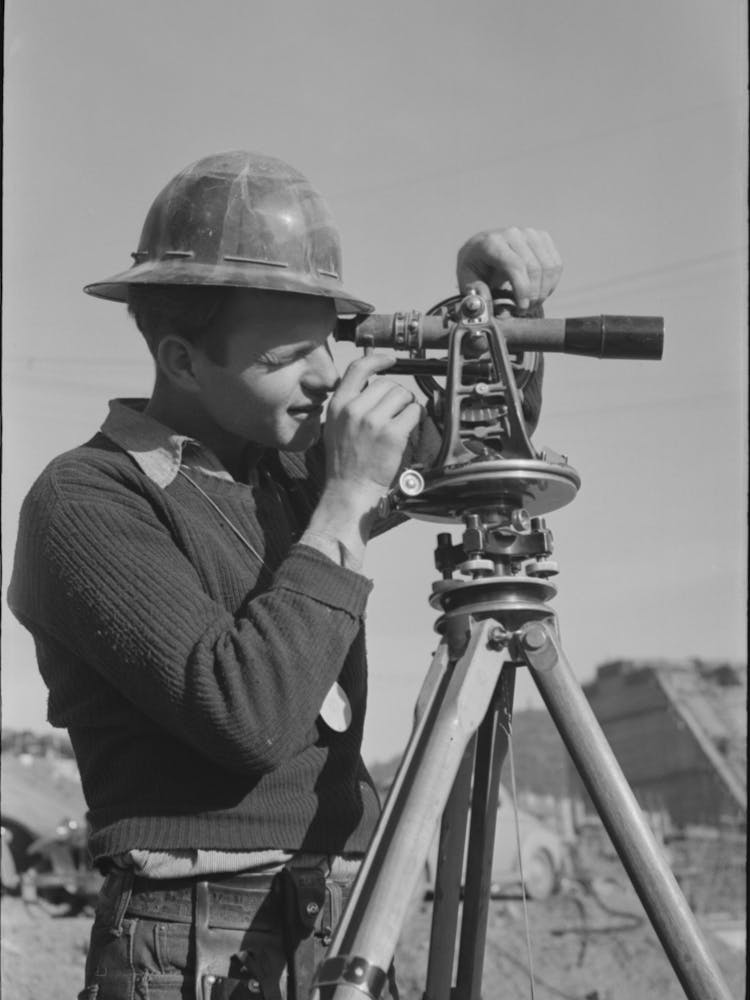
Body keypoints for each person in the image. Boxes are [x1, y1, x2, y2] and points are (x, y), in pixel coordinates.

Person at [8, 150, 562, 1000]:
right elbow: (245, 714)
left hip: (336, 917)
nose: (325, 379)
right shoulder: (87, 498)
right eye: (287, 358)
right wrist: (344, 500)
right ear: (183, 360)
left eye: (329, 345)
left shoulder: (287, 466)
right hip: (192, 938)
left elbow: (478, 449)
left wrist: (489, 306)